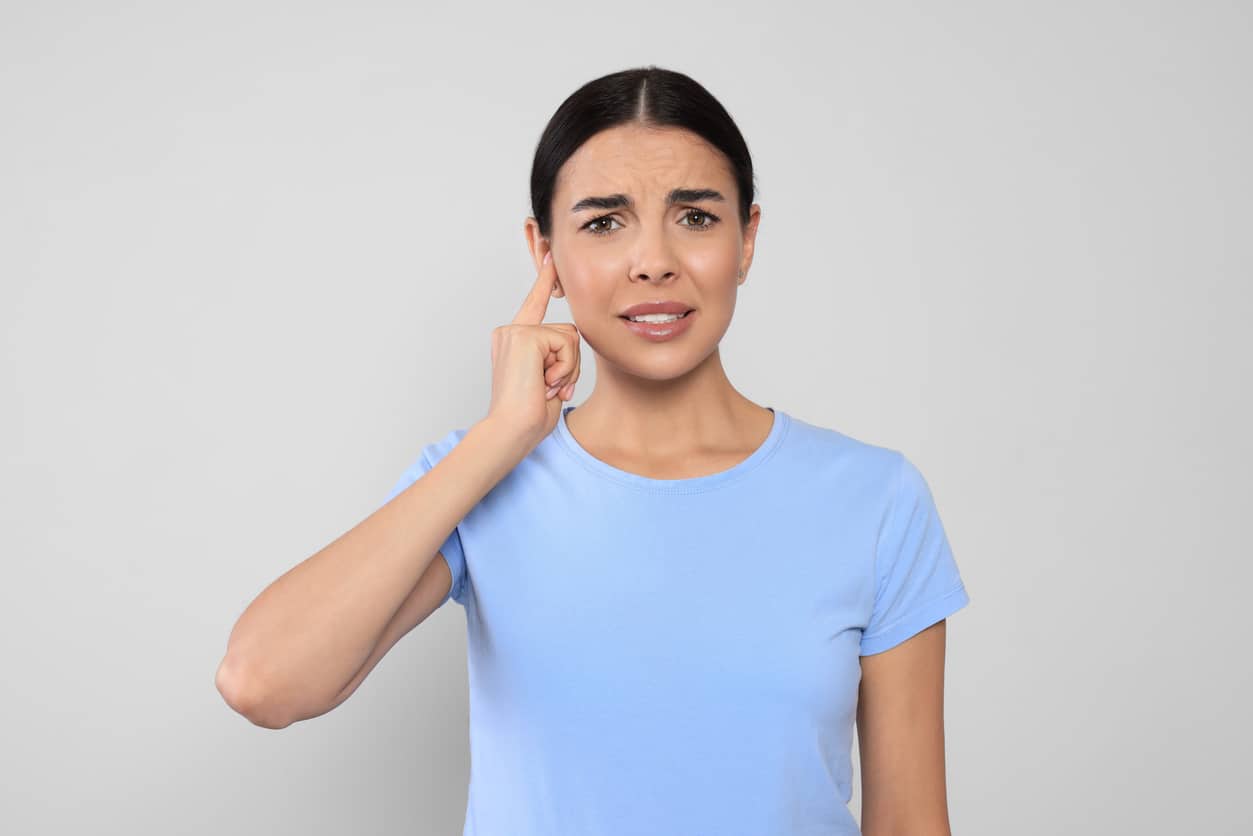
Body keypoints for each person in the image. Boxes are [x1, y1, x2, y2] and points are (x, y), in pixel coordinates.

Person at [216, 65, 971, 836]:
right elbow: (262, 682)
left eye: (696, 218)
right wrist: (500, 437)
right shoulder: (480, 477)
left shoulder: (874, 499)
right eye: (604, 223)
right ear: (544, 254)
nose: (652, 261)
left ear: (747, 240)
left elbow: (910, 821)